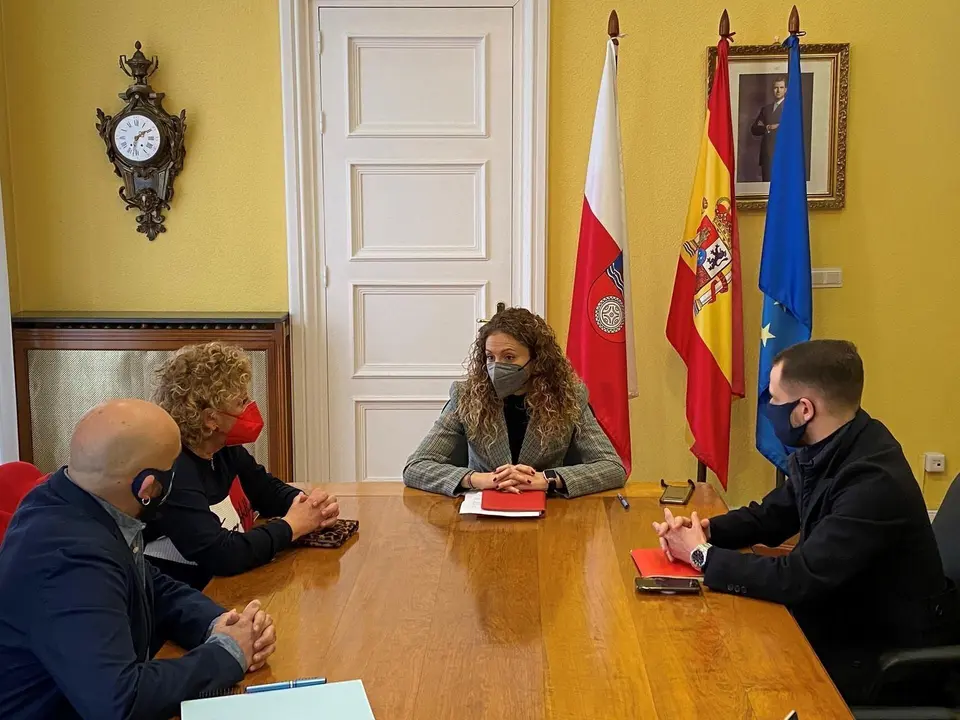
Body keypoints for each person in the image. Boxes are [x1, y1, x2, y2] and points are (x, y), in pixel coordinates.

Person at [653, 340, 960, 704]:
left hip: (881, 660)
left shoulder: (873, 481)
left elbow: (799, 577)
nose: (768, 407)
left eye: (774, 398)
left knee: (724, 680)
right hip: (843, 620)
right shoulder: (834, 444)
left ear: (803, 410)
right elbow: (771, 516)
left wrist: (702, 555)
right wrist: (706, 531)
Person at [0, 399, 278, 719]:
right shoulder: (68, 559)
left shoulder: (77, 500)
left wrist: (218, 624)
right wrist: (228, 654)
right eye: (176, 468)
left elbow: (149, 584)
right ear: (148, 487)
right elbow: (121, 702)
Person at [147, 341, 340, 589]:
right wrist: (292, 525)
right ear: (211, 419)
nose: (249, 408)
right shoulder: (174, 470)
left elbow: (265, 490)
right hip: (191, 592)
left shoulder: (222, 448)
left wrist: (309, 505)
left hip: (228, 582)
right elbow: (222, 554)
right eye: (241, 402)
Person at [404, 307, 626, 498]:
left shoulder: (568, 397)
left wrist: (547, 479)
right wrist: (479, 479)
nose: (496, 366)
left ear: (537, 361)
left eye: (509, 357)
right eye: (490, 357)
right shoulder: (466, 396)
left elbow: (612, 468)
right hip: (481, 511)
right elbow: (416, 467)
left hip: (548, 513)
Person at [750, 75, 786, 181]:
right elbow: (754, 129)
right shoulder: (766, 109)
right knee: (767, 184)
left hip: (784, 155)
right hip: (767, 156)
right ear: (772, 90)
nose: (778, 91)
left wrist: (780, 126)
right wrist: (768, 127)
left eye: (781, 87)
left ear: (786, 90)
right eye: (776, 88)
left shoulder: (790, 108)